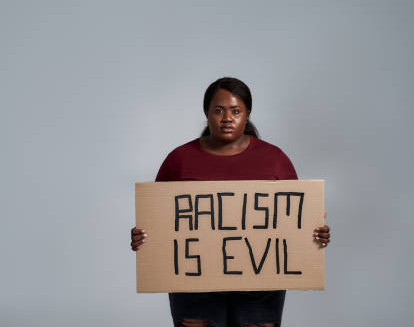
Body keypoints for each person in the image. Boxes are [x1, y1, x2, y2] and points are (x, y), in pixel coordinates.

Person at [131, 77, 331, 327]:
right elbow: (156, 218)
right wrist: (143, 237)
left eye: (235, 111)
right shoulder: (179, 160)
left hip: (261, 285)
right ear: (207, 113)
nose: (227, 118)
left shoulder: (275, 159)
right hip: (194, 284)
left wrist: (316, 234)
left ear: (247, 114)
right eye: (218, 111)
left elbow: (297, 219)